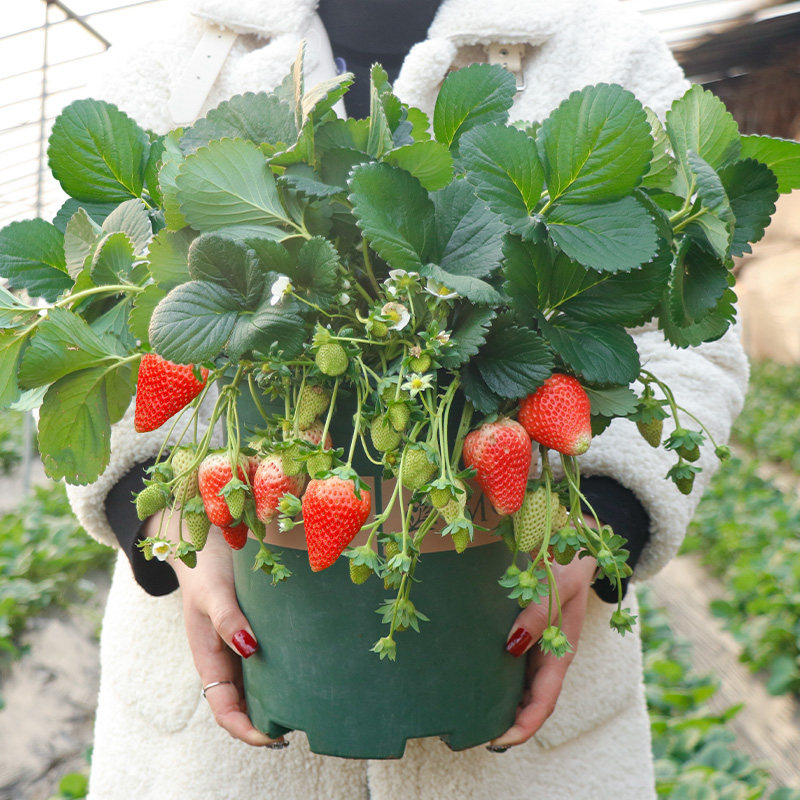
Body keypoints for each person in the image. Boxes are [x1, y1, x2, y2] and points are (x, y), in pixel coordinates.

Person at [64, 1, 749, 798]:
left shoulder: (600, 44)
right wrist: (167, 522)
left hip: (515, 704)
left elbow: (688, 335)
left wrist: (598, 523)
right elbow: (87, 319)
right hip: (220, 735)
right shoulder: (172, 47)